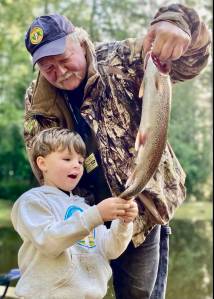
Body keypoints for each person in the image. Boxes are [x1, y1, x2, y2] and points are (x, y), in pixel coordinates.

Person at [23, 4, 211, 299]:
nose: (58, 72)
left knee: (137, 295)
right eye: (48, 67)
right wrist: (80, 215)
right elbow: (41, 161)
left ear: (79, 41)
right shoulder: (37, 100)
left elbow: (191, 62)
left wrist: (176, 23)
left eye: (63, 59)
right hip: (77, 215)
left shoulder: (122, 58)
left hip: (137, 212)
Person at [11, 127, 138, 299]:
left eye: (80, 161)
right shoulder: (32, 201)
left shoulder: (85, 207)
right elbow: (49, 241)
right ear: (42, 163)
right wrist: (97, 214)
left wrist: (124, 223)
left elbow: (110, 249)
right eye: (67, 158)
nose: (76, 166)